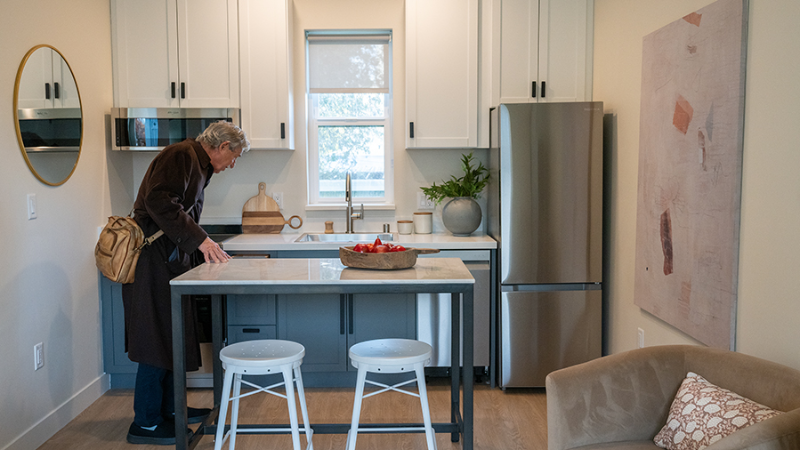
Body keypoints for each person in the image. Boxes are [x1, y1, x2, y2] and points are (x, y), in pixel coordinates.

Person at [122, 121, 249, 445]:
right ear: (221, 146)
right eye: (233, 156)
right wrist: (202, 241)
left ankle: (170, 409)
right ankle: (146, 422)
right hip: (152, 261)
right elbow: (159, 201)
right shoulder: (181, 155)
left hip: (168, 259)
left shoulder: (196, 161)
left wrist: (195, 244)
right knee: (156, 338)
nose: (232, 163)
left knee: (170, 335)